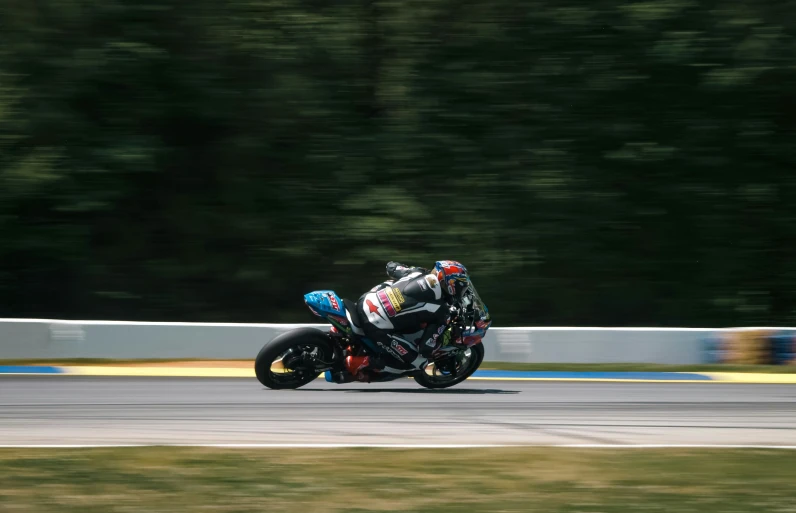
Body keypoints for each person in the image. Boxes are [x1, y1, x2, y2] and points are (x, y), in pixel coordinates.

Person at [335, 260, 490, 382]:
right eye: (461, 286)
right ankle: (358, 363)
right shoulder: (442, 312)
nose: (462, 290)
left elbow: (392, 267)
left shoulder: (418, 272)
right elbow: (426, 347)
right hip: (376, 326)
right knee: (418, 362)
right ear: (451, 285)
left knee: (390, 284)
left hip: (365, 301)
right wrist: (444, 339)